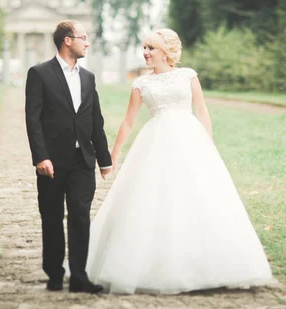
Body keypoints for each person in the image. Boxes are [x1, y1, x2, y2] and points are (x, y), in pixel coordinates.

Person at [86, 28, 274, 294]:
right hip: (155, 144)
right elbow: (128, 122)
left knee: (201, 197)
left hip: (190, 140)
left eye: (151, 48)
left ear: (165, 51)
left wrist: (207, 144)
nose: (146, 53)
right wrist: (112, 156)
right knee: (155, 200)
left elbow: (202, 111)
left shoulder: (188, 76)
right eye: (144, 47)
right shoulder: (141, 84)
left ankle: (214, 265)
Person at [25, 20, 112, 293]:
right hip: (51, 161)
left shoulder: (88, 77)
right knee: (51, 217)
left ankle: (79, 277)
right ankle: (54, 274)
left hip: (81, 160)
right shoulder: (39, 73)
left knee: (81, 217)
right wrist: (40, 156)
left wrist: (104, 158)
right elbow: (33, 119)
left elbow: (94, 120)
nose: (87, 43)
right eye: (83, 38)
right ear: (67, 40)